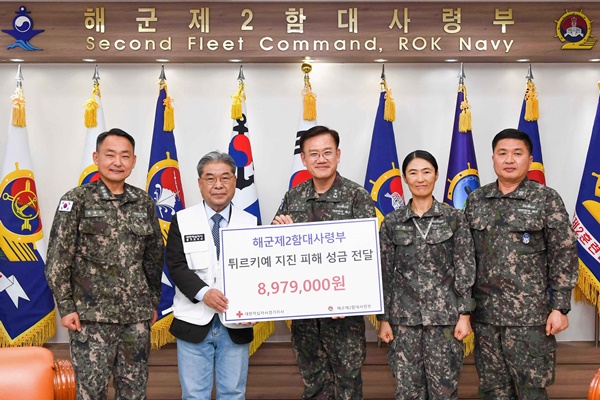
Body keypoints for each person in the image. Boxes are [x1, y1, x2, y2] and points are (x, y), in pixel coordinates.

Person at [45, 128, 164, 400]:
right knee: (90, 392)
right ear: (96, 158)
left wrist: (151, 303)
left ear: (134, 161)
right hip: (91, 318)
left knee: (134, 391)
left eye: (125, 156)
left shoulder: (143, 202)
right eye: (110, 155)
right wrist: (66, 307)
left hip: (135, 318)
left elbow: (154, 258)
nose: (117, 162)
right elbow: (58, 260)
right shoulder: (75, 200)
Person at [464, 128, 578, 399]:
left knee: (532, 392)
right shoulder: (477, 200)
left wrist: (560, 307)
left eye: (517, 153)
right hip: (486, 318)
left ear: (529, 159)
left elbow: (563, 252)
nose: (509, 160)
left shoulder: (546, 199)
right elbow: (465, 257)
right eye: (502, 153)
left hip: (531, 319)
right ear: (493, 158)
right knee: (493, 391)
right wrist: (465, 309)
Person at [272, 125, 375, 400]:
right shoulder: (293, 197)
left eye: (327, 152)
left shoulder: (357, 197)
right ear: (303, 159)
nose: (321, 159)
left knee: (348, 386)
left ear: (338, 155)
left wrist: (347, 295)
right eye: (314, 153)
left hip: (344, 318)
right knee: (313, 385)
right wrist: (279, 233)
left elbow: (367, 253)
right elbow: (273, 253)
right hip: (305, 316)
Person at [377, 150, 476, 399]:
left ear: (436, 175)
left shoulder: (454, 218)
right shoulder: (392, 222)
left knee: (444, 391)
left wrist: (465, 315)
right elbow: (384, 272)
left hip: (445, 321)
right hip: (403, 323)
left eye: (426, 172)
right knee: (407, 392)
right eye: (413, 173)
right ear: (404, 178)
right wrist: (384, 319)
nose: (420, 179)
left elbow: (465, 267)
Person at [165, 151, 257, 400]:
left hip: (236, 324)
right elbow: (176, 265)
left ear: (234, 181)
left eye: (225, 178)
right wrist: (204, 293)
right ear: (200, 183)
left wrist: (255, 307)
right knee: (194, 395)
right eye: (210, 178)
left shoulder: (250, 222)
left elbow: (257, 272)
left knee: (233, 394)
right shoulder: (182, 220)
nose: (218, 185)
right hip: (192, 321)